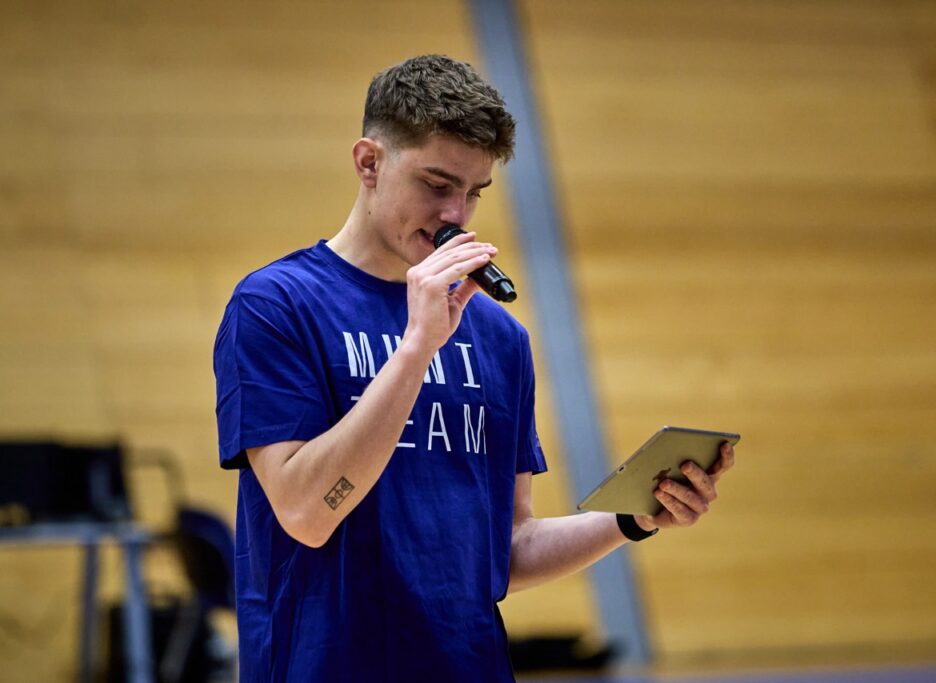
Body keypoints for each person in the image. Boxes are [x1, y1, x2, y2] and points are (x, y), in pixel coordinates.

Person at [213, 54, 735, 682]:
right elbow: (307, 514)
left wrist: (632, 517)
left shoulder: (499, 336)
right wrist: (415, 350)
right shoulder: (276, 305)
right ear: (369, 163)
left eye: (474, 193)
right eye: (437, 185)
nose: (456, 216)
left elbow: (507, 549)